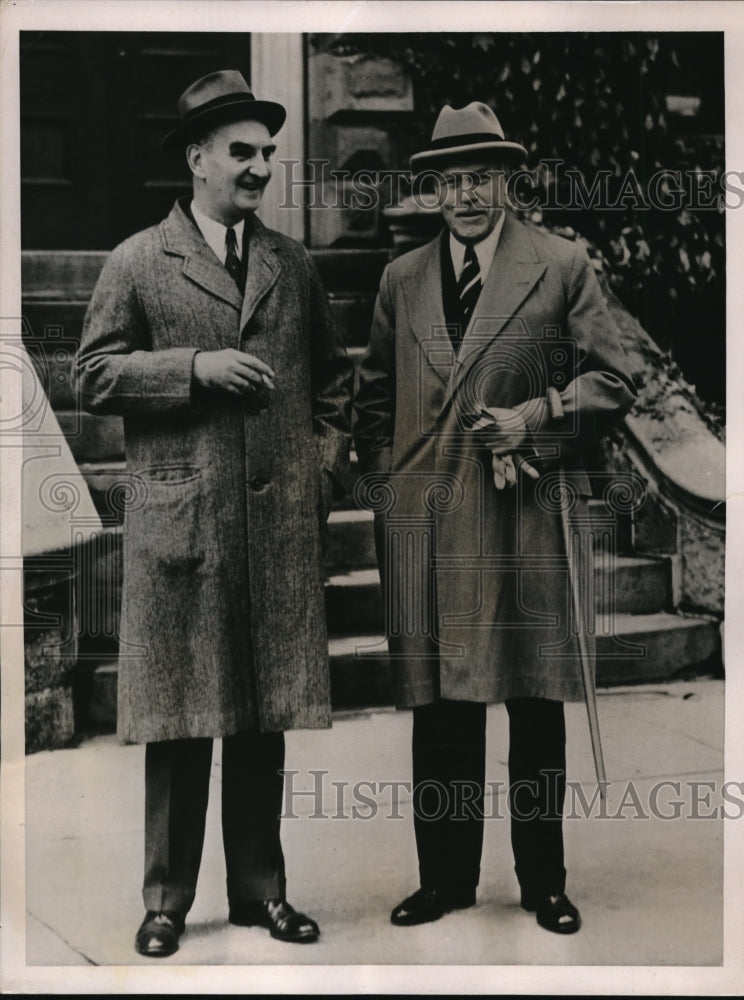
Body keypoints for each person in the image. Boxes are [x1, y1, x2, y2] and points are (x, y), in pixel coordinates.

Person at [73, 70, 353, 957]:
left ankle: (262, 892)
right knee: (183, 718)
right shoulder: (136, 261)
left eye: (269, 152)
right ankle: (165, 898)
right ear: (196, 160)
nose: (262, 167)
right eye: (243, 152)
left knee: (263, 717)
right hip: (184, 525)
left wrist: (322, 468)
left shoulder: (291, 263)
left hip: (272, 530)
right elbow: (92, 376)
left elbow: (339, 385)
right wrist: (192, 367)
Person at [353, 102, 637, 934]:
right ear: (434, 189)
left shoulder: (559, 263)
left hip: (526, 517)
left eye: (483, 175)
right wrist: (390, 493)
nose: (468, 193)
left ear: (508, 180)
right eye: (452, 178)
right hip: (429, 524)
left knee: (534, 701)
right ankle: (443, 879)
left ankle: (543, 882)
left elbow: (613, 380)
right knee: (438, 708)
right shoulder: (400, 280)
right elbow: (374, 401)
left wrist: (540, 414)